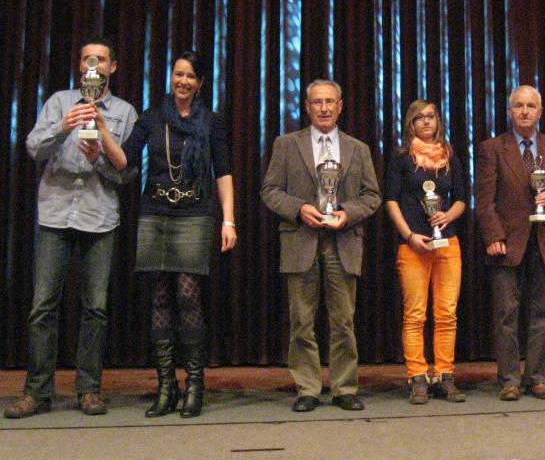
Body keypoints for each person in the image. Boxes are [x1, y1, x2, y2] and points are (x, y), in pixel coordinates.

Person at [4, 37, 137, 419]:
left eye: (100, 59)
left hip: (99, 217)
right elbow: (34, 148)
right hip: (56, 214)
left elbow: (128, 174)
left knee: (95, 308)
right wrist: (63, 127)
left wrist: (99, 158)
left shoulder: (124, 112)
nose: (93, 65)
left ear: (113, 67)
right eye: (87, 59)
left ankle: (89, 389)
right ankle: (37, 391)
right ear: (80, 66)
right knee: (43, 306)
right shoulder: (59, 102)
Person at [99, 50, 237, 417]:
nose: (183, 81)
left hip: (194, 212)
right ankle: (166, 386)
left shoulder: (211, 121)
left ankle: (195, 385)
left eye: (190, 76)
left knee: (188, 295)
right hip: (156, 212)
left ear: (200, 83)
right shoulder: (152, 117)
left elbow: (223, 171)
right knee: (159, 296)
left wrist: (229, 220)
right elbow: (124, 159)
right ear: (171, 77)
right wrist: (100, 130)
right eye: (178, 74)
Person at [261, 79, 381, 413]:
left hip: (343, 241)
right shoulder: (286, 145)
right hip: (301, 239)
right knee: (301, 321)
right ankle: (308, 388)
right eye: (317, 102)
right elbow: (270, 191)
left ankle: (344, 387)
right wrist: (299, 208)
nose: (324, 108)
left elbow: (372, 196)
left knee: (343, 321)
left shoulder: (358, 149)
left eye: (330, 102)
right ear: (307, 106)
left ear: (340, 106)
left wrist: (347, 213)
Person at [475, 85, 545, 401]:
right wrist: (493, 236)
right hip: (507, 242)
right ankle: (509, 380)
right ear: (510, 111)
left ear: (540, 112)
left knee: (544, 314)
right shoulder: (493, 148)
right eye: (518, 106)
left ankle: (537, 378)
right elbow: (484, 200)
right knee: (506, 314)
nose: (524, 111)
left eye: (531, 106)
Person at [385, 100, 466, 404]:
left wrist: (448, 215)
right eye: (419, 118)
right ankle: (417, 376)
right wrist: (408, 235)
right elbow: (390, 200)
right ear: (411, 123)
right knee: (415, 314)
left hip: (447, 242)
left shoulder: (450, 155)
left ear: (438, 120)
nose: (426, 122)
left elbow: (461, 199)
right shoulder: (401, 157)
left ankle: (445, 375)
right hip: (413, 244)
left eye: (431, 116)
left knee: (446, 314)